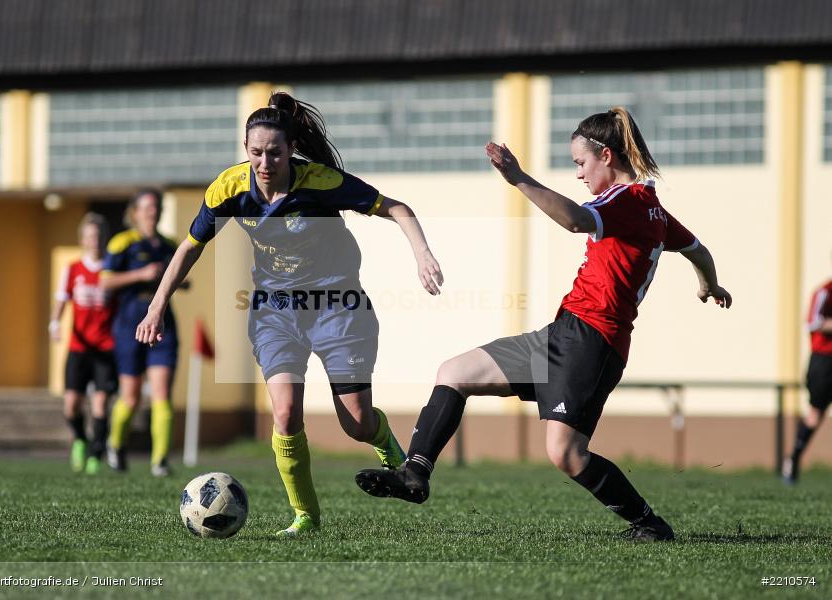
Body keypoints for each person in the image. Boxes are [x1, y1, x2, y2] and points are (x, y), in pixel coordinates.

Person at [355, 107, 732, 542]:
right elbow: (698, 249)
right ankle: (414, 473)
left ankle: (650, 524)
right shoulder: (653, 210)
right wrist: (710, 284)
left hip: (594, 345)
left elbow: (574, 220)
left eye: (580, 163)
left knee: (566, 454)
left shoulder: (627, 202)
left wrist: (518, 178)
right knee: (454, 373)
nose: (579, 174)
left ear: (606, 155)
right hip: (563, 333)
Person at [135, 91, 444, 536]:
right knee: (285, 412)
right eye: (256, 152)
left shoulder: (320, 182)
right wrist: (157, 305)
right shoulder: (229, 188)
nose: (265, 163)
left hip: (338, 307)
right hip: (275, 311)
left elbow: (395, 207)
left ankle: (385, 443)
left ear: (291, 149)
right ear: (245, 150)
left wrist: (422, 254)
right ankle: (305, 517)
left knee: (356, 422)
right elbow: (190, 246)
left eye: (275, 153)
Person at [101, 189, 181, 477]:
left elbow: (182, 279)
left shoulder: (169, 245)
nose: (152, 212)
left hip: (163, 324)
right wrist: (141, 274)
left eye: (156, 207)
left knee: (162, 394)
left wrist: (174, 281)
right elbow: (105, 282)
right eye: (146, 207)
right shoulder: (123, 242)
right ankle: (115, 444)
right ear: (134, 212)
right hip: (130, 324)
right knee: (131, 396)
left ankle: (159, 460)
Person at [49, 212, 117, 474]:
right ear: (82, 239)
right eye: (90, 236)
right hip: (79, 348)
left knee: (100, 404)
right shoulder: (73, 269)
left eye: (99, 236)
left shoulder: (112, 270)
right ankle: (80, 439)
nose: (94, 241)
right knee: (71, 405)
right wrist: (54, 324)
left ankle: (95, 455)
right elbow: (61, 301)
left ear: (104, 239)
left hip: (106, 347)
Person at [782, 268, 832, 484]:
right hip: (824, 361)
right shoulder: (824, 292)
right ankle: (793, 459)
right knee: (815, 414)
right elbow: (813, 322)